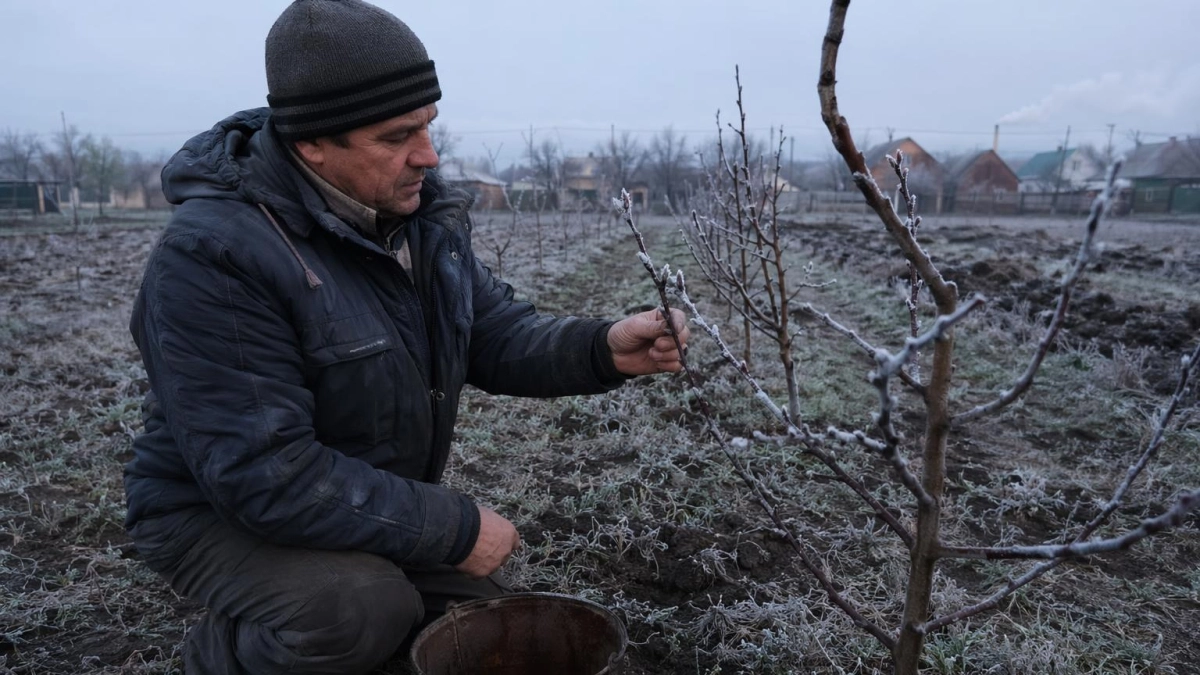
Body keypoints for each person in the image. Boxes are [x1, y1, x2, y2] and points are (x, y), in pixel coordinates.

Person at [122, 1, 689, 673]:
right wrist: (453, 526)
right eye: (396, 137)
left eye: (427, 126)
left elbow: (490, 330)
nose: (428, 155)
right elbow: (264, 474)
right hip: (214, 513)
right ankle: (218, 659)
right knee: (359, 609)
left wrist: (601, 347)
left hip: (355, 496)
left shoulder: (415, 218)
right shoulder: (216, 256)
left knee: (475, 618)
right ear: (312, 143)